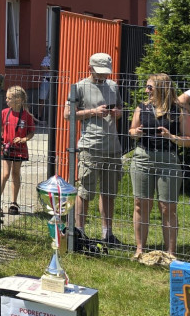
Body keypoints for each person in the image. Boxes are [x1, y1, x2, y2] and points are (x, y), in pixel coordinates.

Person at [128, 73, 190, 260]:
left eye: (150, 87)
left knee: (167, 207)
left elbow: (189, 139)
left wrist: (171, 137)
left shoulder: (179, 110)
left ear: (162, 89)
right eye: (146, 87)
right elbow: (131, 131)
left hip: (168, 160)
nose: (146, 90)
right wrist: (136, 132)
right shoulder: (142, 108)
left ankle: (171, 253)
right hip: (142, 158)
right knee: (140, 204)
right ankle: (140, 249)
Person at [63, 52, 123, 247]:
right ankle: (80, 232)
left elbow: (121, 111)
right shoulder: (80, 87)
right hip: (90, 146)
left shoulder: (113, 86)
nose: (103, 77)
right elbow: (67, 114)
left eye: (106, 73)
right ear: (90, 68)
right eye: (99, 73)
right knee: (86, 191)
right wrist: (92, 112)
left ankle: (108, 233)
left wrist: (116, 112)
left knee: (109, 192)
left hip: (112, 147)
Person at [0, 85, 35, 218]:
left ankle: (14, 203)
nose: (6, 100)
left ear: (18, 100)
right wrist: (3, 141)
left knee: (15, 173)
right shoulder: (4, 112)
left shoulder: (27, 115)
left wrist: (24, 139)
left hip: (20, 149)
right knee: (5, 173)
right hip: (7, 148)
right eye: (6, 98)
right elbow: (1, 129)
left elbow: (31, 132)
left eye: (9, 98)